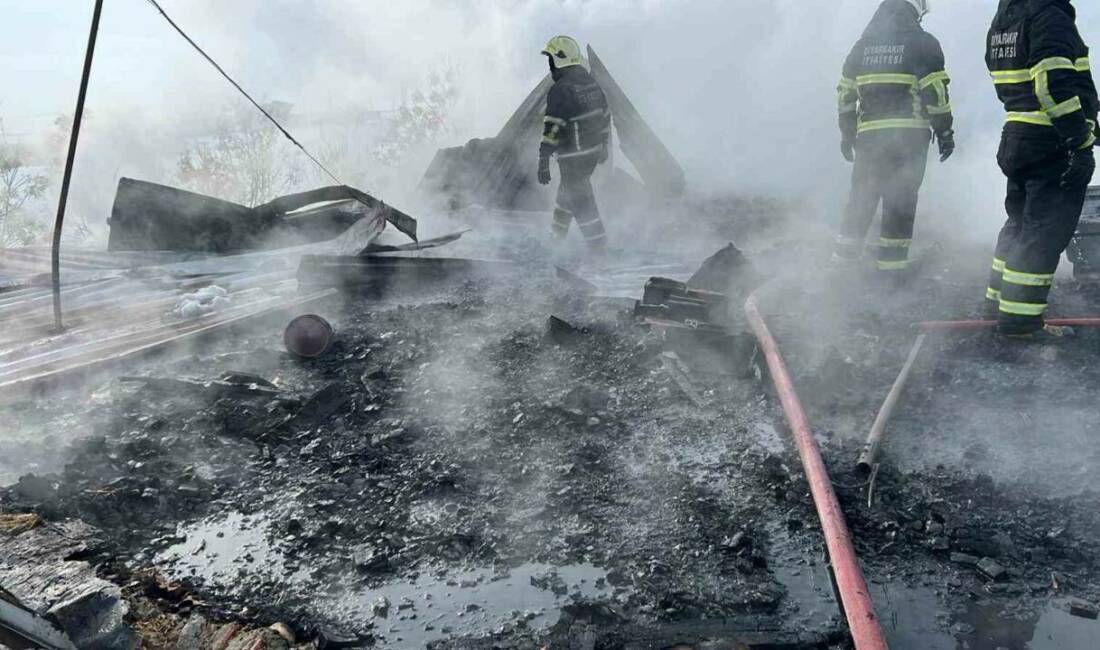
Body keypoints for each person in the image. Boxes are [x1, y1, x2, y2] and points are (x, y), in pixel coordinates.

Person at [984, 0, 1097, 340]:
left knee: (1020, 224)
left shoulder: (1008, 17)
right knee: (1042, 234)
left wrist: (1090, 123)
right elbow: (1051, 84)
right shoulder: (1049, 15)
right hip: (1051, 141)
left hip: (1019, 136)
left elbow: (1019, 84)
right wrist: (1079, 140)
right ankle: (1021, 324)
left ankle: (998, 303)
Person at [833, 0, 955, 277]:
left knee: (861, 200)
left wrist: (846, 131)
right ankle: (890, 272)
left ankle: (841, 267)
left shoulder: (862, 47)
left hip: (868, 139)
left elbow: (844, 94)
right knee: (900, 202)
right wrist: (945, 132)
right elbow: (935, 93)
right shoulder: (922, 43)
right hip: (908, 139)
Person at [537, 35, 612, 255]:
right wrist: (604, 144)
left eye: (550, 59)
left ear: (560, 60)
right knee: (566, 192)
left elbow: (553, 129)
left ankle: (600, 249)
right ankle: (556, 238)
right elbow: (605, 114)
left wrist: (543, 161)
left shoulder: (561, 90)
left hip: (573, 156)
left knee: (581, 200)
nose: (549, 65)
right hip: (592, 152)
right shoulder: (590, 82)